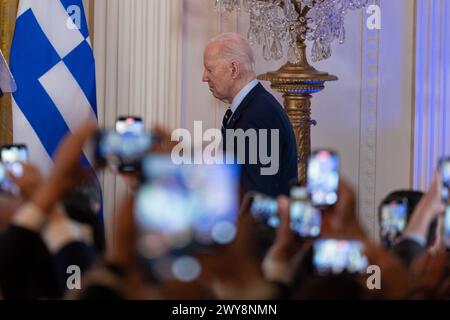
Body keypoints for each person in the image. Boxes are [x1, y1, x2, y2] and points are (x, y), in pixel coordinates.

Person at [202, 32, 298, 197]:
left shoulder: (259, 115)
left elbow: (256, 195)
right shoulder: (254, 107)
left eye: (210, 69)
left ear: (234, 69)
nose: (204, 78)